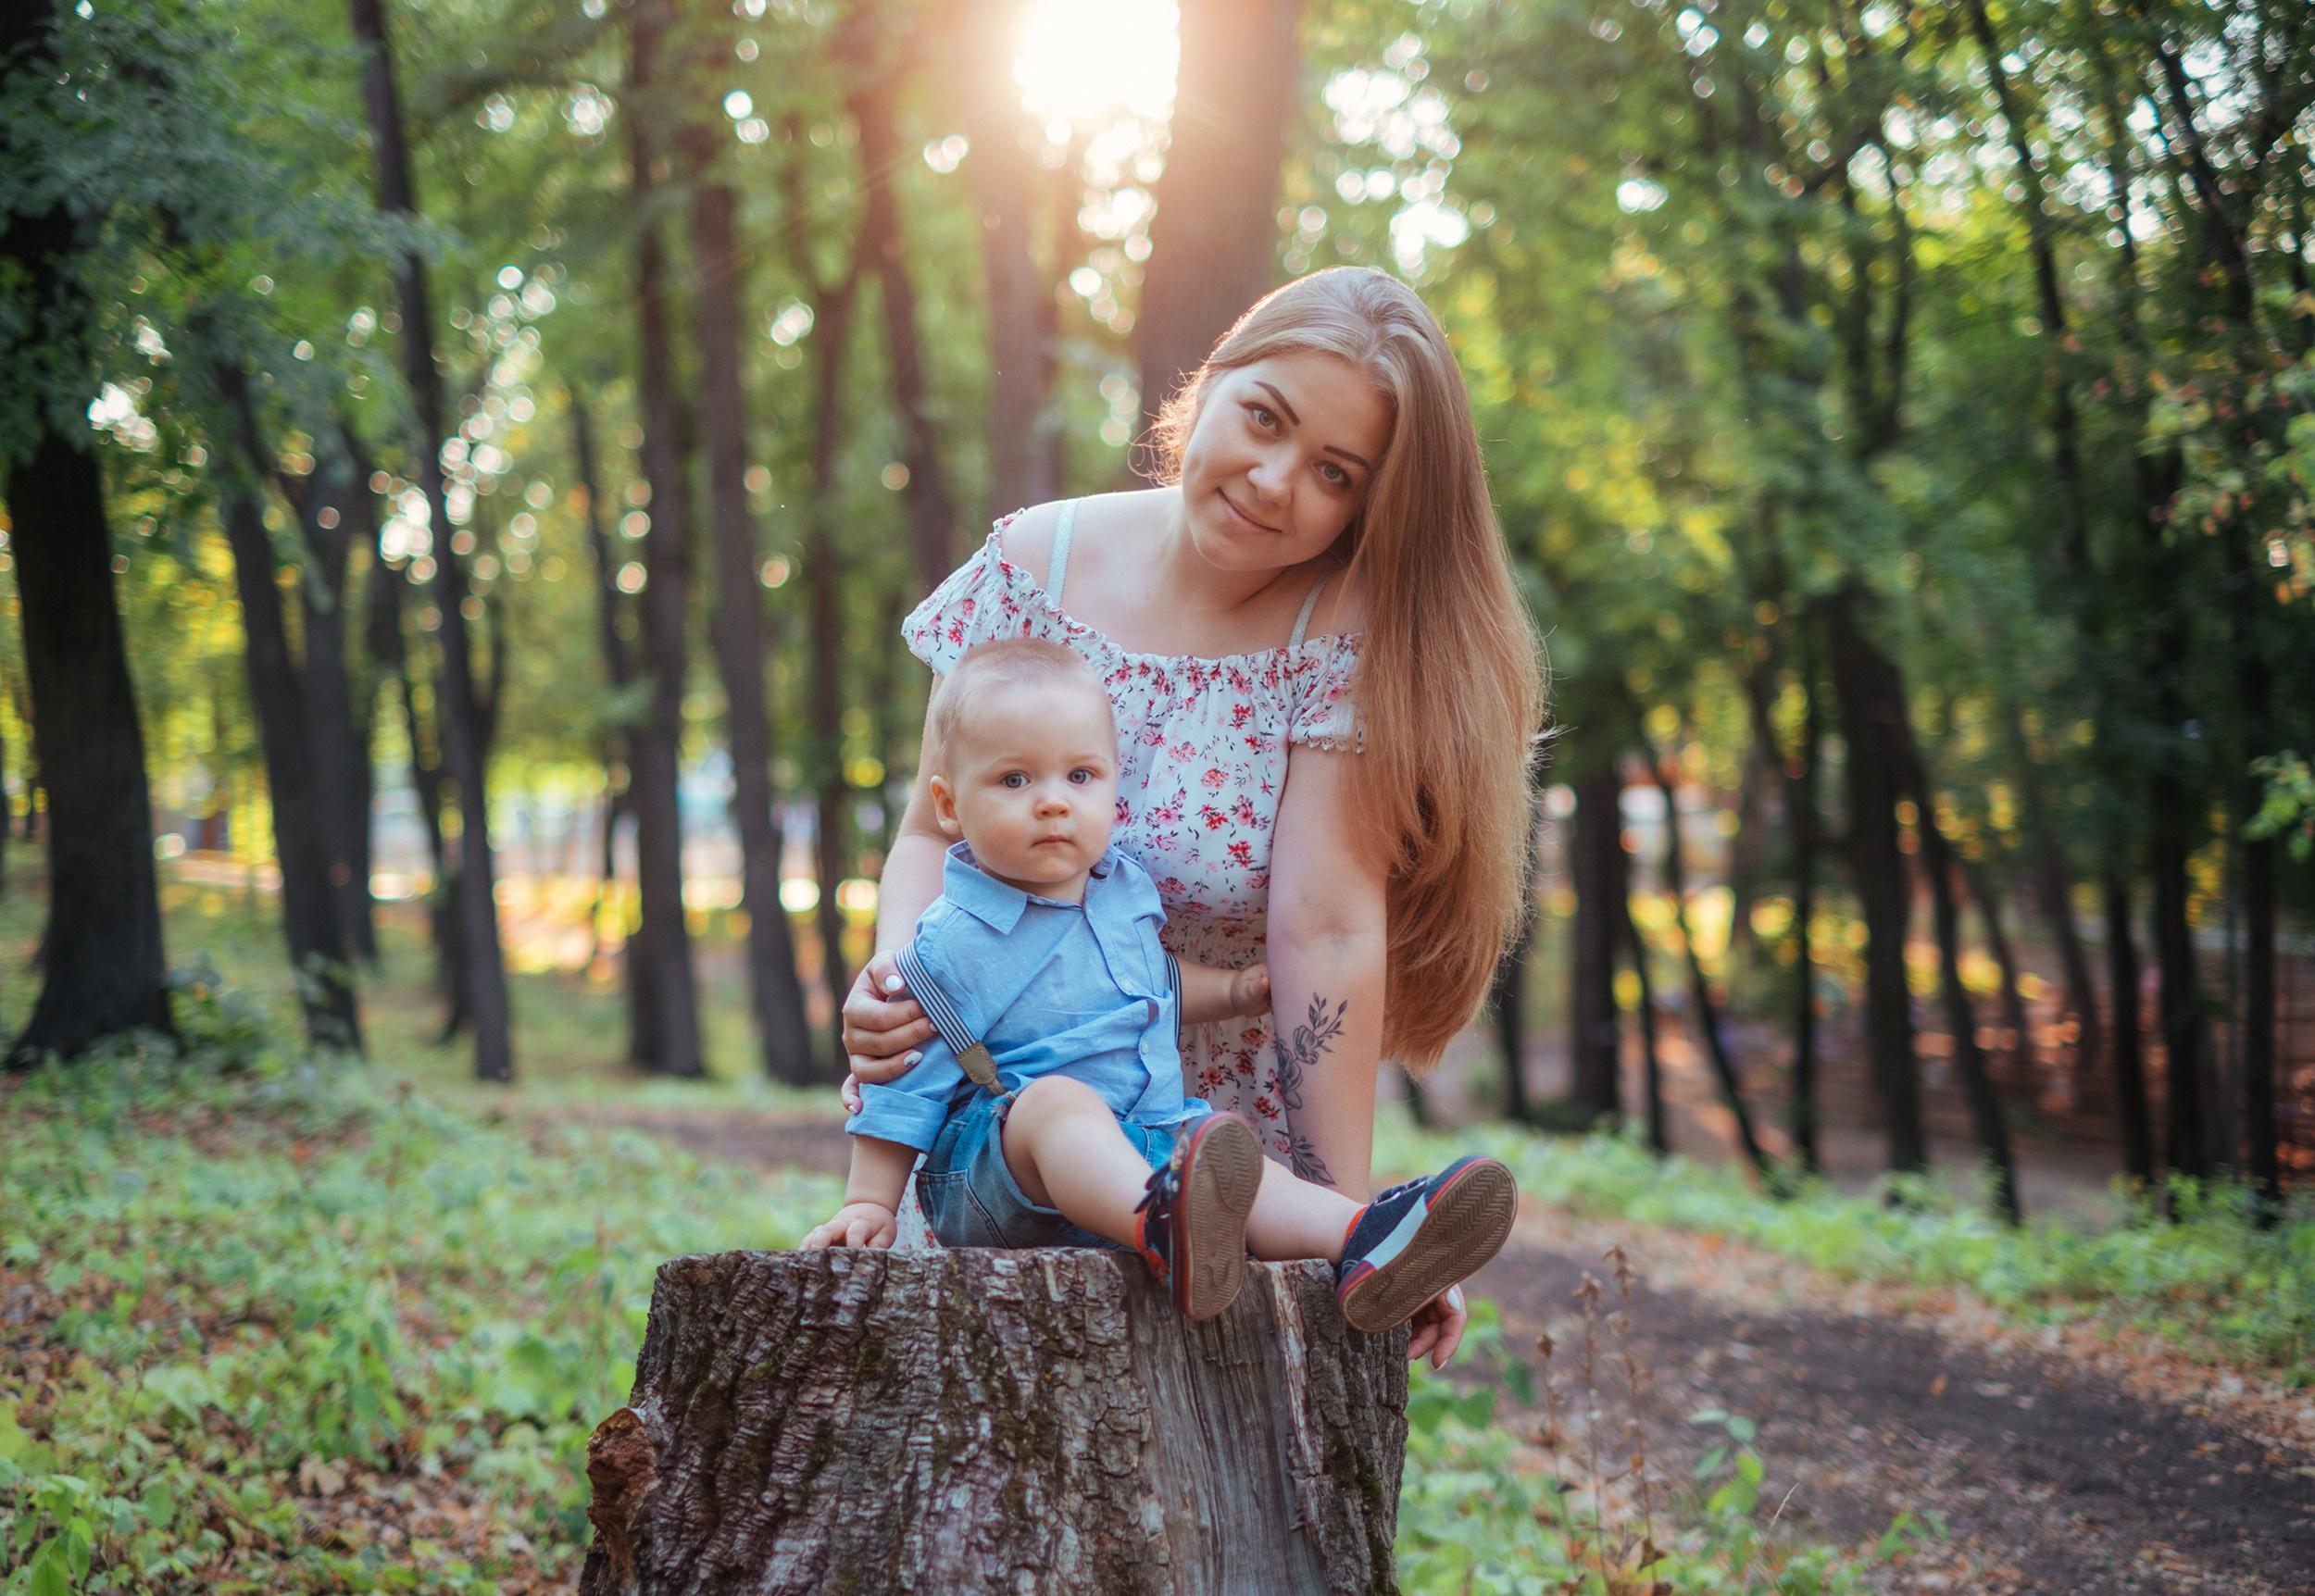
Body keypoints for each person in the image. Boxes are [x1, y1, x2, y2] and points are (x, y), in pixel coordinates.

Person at [840, 267, 1545, 1365]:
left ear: (1368, 504)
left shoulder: (1340, 629)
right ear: (1209, 382)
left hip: (1222, 1128)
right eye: (1263, 417)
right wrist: (901, 983)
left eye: (1334, 472)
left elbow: (1326, 928)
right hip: (1019, 1114)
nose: (1272, 481)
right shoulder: (1031, 566)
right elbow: (931, 836)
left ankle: (1358, 1233)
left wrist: (1341, 1223)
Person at [804, 638, 1520, 1332]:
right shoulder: (953, 938)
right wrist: (869, 1201)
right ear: (950, 805)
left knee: (1234, 1156)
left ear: (1115, 785)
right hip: (995, 1166)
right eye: (1014, 780)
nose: (1053, 802)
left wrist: (1236, 992)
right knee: (1057, 1103)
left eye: (1079, 777)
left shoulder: (1120, 890)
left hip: (1137, 1140)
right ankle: (1166, 1224)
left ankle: (1367, 1240)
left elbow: (1150, 982)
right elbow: (898, 1075)